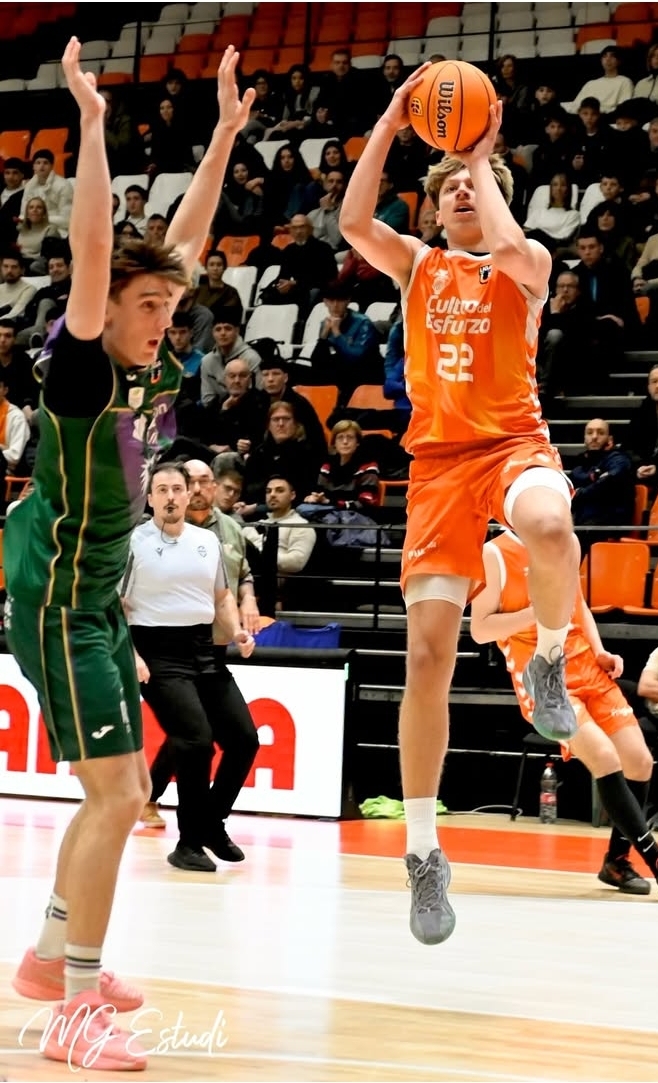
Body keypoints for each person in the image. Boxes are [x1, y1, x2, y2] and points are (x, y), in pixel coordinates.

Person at [5, 41, 253, 1072]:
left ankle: (55, 956)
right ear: (104, 312)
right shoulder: (78, 372)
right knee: (118, 797)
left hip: (94, 596)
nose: (165, 320)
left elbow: (179, 246)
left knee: (113, 798)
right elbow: (103, 250)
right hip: (61, 599)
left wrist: (230, 133)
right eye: (147, 309)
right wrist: (95, 128)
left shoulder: (154, 358)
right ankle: (72, 1010)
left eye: (168, 310)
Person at [340, 66, 581, 945]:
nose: (452, 200)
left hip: (514, 445)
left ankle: (549, 657)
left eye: (468, 190)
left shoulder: (527, 265)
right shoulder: (417, 265)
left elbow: (516, 252)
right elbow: (353, 221)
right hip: (439, 468)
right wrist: (389, 123)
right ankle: (423, 851)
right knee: (428, 658)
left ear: (491, 195)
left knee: (551, 523)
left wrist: (478, 157)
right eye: (443, 192)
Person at [470, 529, 658, 899]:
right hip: (544, 679)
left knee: (639, 762)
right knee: (606, 759)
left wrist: (600, 650)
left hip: (586, 667)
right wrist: (539, 612)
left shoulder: (559, 540)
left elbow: (577, 603)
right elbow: (480, 629)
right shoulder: (495, 553)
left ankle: (616, 861)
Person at [122, 462, 257, 872]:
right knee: (196, 741)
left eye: (176, 488)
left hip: (204, 648)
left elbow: (221, 598)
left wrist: (236, 633)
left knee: (244, 739)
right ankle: (188, 843)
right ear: (150, 499)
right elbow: (115, 604)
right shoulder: (134, 542)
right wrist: (132, 656)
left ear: (189, 493)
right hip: (156, 650)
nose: (169, 496)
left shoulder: (207, 542)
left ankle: (211, 822)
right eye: (160, 490)